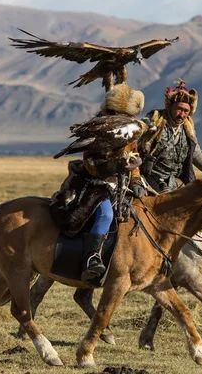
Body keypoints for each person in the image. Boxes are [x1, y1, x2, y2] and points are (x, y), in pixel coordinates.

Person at [51, 83, 146, 281]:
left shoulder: (129, 128)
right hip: (96, 185)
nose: (132, 119)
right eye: (129, 115)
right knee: (105, 214)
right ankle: (91, 259)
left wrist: (136, 179)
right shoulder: (104, 124)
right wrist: (120, 166)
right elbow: (93, 165)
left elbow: (133, 156)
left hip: (122, 186)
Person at [139, 79, 202, 193]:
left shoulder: (188, 130)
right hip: (147, 183)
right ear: (170, 106)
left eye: (186, 111)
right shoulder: (153, 122)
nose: (182, 115)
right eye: (179, 109)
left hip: (172, 184)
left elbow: (195, 154)